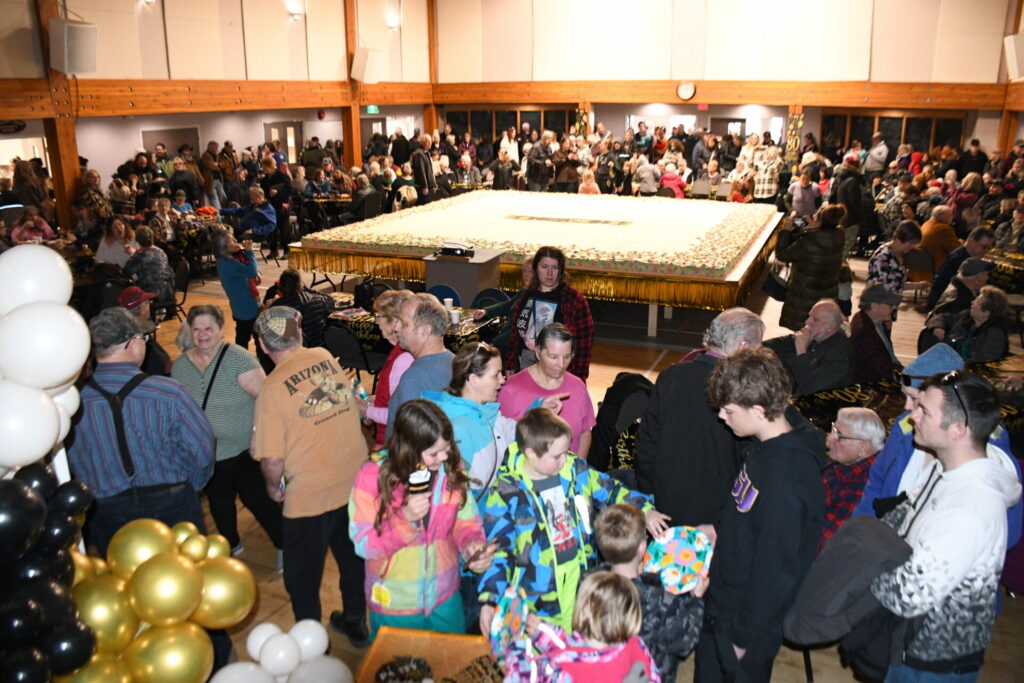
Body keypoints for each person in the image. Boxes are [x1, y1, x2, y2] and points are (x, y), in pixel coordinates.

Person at [870, 372, 1021, 681]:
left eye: (923, 410)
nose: (911, 417)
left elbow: (909, 595)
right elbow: (904, 516)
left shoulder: (971, 507)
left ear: (958, 430)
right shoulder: (944, 467)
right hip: (909, 637)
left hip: (933, 660)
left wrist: (859, 566)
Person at [694, 348, 825, 683]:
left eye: (729, 410)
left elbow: (776, 574)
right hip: (723, 602)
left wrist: (741, 639)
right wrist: (720, 530)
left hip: (743, 625)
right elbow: (748, 511)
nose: (722, 416)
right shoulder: (765, 444)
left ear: (758, 410)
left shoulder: (787, 483)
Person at [478, 408, 666, 632]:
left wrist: (645, 509)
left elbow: (611, 489)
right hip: (536, 600)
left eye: (566, 451)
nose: (565, 459)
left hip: (580, 586)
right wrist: (490, 598)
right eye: (557, 456)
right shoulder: (506, 493)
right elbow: (500, 550)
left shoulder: (575, 470)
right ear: (530, 453)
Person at [251, 306, 369, 643]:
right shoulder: (324, 355)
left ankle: (311, 641)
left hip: (310, 496)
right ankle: (356, 622)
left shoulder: (272, 389)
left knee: (302, 577)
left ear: (262, 344)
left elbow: (272, 459)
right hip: (353, 481)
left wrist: (273, 489)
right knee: (352, 560)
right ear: (299, 334)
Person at [67, 307, 214, 555]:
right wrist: (191, 486)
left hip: (105, 510)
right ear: (132, 344)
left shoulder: (74, 401)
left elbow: (74, 460)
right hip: (171, 502)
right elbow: (202, 449)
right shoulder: (168, 392)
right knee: (185, 577)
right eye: (143, 338)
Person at [350, 399, 494, 640]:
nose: (444, 456)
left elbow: (466, 522)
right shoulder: (371, 477)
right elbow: (364, 544)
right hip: (395, 603)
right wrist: (404, 519)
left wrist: (472, 546)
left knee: (451, 666)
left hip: (444, 596)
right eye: (434, 453)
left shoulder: (451, 470)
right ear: (409, 449)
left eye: (446, 448)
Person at [172, 304, 283, 568]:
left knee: (259, 502)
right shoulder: (181, 366)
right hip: (208, 455)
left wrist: (258, 434)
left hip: (243, 450)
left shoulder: (239, 359)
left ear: (222, 329)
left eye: (208, 328)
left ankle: (284, 544)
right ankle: (230, 544)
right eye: (196, 329)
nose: (202, 335)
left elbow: (268, 399)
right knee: (219, 504)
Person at [635, 308, 765, 531]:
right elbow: (750, 457)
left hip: (666, 504)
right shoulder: (742, 389)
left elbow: (646, 443)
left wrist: (649, 495)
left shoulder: (670, 376)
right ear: (744, 346)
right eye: (759, 346)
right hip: (719, 512)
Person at [590, 505, 705, 681]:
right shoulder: (657, 598)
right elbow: (685, 641)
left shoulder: (589, 584)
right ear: (643, 547)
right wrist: (695, 598)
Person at [502, 571, 661, 683]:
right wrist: (542, 632)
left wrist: (516, 648)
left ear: (581, 611)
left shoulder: (558, 667)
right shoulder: (635, 647)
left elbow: (520, 676)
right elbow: (578, 651)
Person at [425, 341, 516, 495]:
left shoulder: (486, 411)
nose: (502, 380)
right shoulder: (458, 428)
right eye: (496, 375)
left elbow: (509, 431)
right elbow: (458, 490)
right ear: (474, 380)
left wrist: (537, 414)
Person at [499, 323, 595, 459]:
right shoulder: (511, 390)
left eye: (567, 357)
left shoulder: (577, 387)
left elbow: (585, 433)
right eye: (553, 357)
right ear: (538, 352)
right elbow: (501, 441)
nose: (561, 365)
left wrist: (577, 470)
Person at [504, 246, 594, 381]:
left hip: (559, 366)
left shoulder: (573, 299)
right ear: (536, 268)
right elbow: (515, 333)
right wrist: (510, 362)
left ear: (561, 270)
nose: (550, 273)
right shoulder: (527, 295)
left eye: (555, 268)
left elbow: (585, 341)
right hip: (526, 362)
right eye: (544, 267)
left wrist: (578, 377)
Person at [387, 293, 454, 438]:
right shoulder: (455, 362)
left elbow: (407, 444)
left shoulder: (414, 380)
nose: (396, 327)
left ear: (425, 331)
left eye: (403, 323)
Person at [819, 408, 885, 553]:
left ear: (863, 446)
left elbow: (826, 542)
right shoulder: (843, 465)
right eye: (833, 430)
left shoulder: (863, 487)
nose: (829, 438)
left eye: (839, 435)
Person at [774, 206, 847, 331]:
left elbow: (782, 255)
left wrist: (785, 232)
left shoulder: (807, 242)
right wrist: (815, 229)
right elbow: (823, 238)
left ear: (819, 221)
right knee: (820, 330)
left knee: (804, 329)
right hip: (827, 293)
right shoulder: (839, 236)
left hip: (804, 295)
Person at [764, 299, 855, 395]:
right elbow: (783, 343)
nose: (807, 322)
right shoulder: (819, 334)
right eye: (809, 316)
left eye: (815, 319)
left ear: (830, 327)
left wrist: (801, 350)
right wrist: (754, 344)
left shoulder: (841, 356)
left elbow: (810, 387)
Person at [920, 257, 995, 352]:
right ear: (977, 278)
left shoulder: (956, 286)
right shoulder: (959, 300)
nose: (987, 278)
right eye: (986, 274)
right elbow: (940, 318)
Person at [212, 230, 260, 349]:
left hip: (239, 306)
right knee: (255, 340)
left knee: (243, 337)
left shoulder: (225, 261)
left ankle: (242, 362)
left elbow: (248, 273)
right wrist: (249, 251)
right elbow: (251, 271)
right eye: (231, 240)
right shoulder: (228, 264)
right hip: (247, 307)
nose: (235, 241)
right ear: (224, 246)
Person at [927, 226, 995, 310]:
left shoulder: (966, 256)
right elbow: (942, 287)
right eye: (984, 247)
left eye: (989, 248)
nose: (986, 251)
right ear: (972, 240)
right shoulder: (958, 259)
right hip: (947, 305)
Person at [867, 220, 928, 308]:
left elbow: (896, 284)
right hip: (878, 310)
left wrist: (919, 285)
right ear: (899, 239)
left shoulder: (897, 254)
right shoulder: (882, 257)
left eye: (915, 243)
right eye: (911, 243)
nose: (914, 246)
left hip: (886, 310)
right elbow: (881, 290)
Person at [941, 285, 1010, 363]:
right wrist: (937, 326)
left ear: (986, 312)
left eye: (977, 302)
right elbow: (943, 317)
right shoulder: (968, 318)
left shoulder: (994, 334)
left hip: (966, 369)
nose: (972, 302)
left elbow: (981, 361)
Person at [267, 269, 334, 349]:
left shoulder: (276, 307)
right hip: (320, 350)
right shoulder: (318, 300)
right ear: (300, 284)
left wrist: (267, 310)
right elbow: (331, 300)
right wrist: (307, 289)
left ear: (281, 286)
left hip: (294, 354)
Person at [851, 284, 904, 384]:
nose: (894, 307)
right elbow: (884, 369)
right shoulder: (864, 333)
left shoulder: (875, 321)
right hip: (873, 385)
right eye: (890, 304)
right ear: (874, 306)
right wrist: (911, 375)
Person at [117, 286, 171, 376]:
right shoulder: (140, 340)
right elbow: (161, 365)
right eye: (147, 303)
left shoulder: (120, 333)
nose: (149, 306)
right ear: (142, 309)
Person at [123, 226, 174, 304]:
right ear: (152, 238)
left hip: (153, 295)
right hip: (169, 291)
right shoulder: (161, 251)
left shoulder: (141, 256)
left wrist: (133, 254)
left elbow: (126, 271)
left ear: (138, 241)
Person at [909, 205, 960, 282]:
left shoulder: (926, 224)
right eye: (951, 215)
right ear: (944, 218)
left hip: (917, 267)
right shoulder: (943, 228)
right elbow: (956, 249)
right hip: (934, 267)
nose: (953, 217)